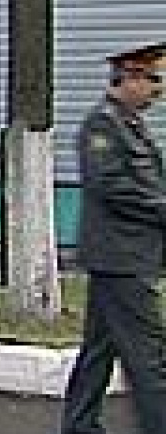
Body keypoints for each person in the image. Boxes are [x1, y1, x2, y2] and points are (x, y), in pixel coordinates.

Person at [60, 42, 166, 434]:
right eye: (153, 79)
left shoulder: (131, 124)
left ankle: (79, 425)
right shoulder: (103, 125)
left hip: (125, 256)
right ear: (128, 76)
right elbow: (112, 186)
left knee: (99, 351)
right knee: (148, 357)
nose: (158, 89)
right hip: (121, 259)